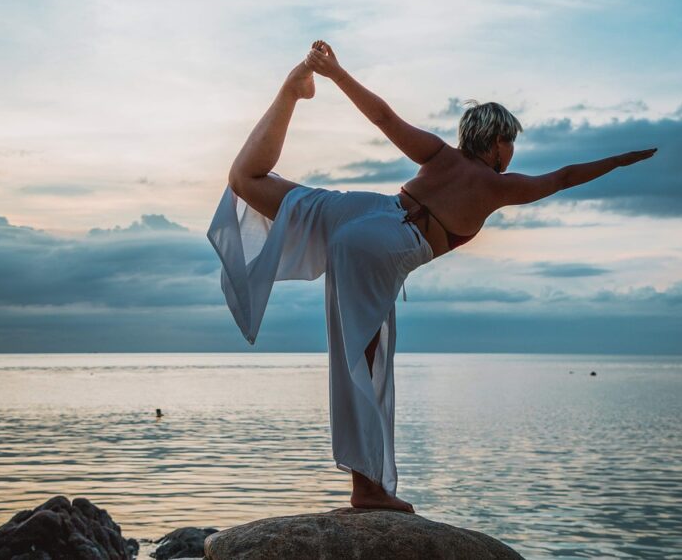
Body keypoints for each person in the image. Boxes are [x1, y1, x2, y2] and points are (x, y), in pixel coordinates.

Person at [207, 40, 656, 513]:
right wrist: (620, 160)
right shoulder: (498, 185)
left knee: (246, 179)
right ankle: (368, 488)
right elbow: (563, 177)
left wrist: (335, 74)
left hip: (363, 209)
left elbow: (384, 118)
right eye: (511, 143)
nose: (512, 152)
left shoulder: (440, 155)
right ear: (497, 142)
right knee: (364, 364)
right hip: (379, 246)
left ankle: (293, 89)